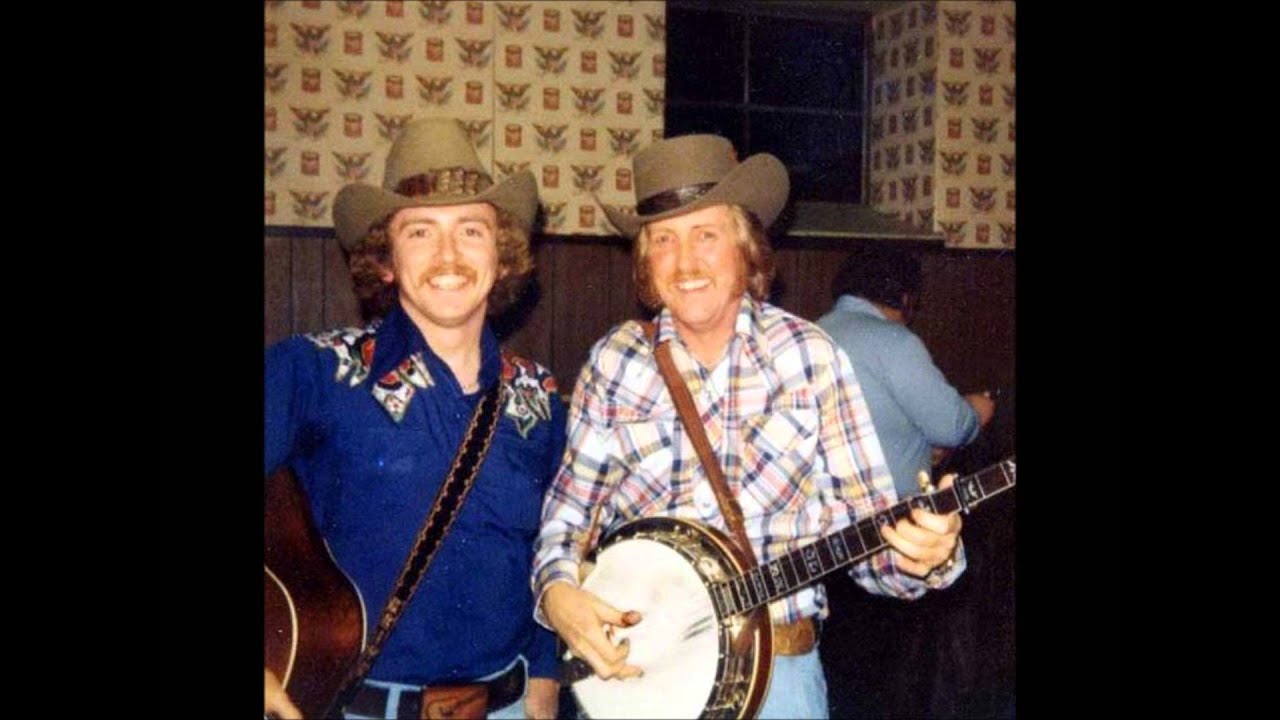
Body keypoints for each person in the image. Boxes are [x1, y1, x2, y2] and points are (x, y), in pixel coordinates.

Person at [530, 134, 966, 718]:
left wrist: (927, 555)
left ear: (746, 246)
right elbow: (568, 516)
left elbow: (872, 546)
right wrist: (557, 591)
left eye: (706, 235)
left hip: (777, 683)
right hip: (638, 682)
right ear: (645, 261)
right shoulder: (616, 361)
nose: (686, 263)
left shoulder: (809, 358)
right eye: (664, 240)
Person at [264, 118, 565, 720]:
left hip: (506, 708)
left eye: (471, 231)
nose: (448, 255)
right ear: (386, 260)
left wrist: (546, 670)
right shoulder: (313, 371)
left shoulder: (540, 396)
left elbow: (552, 541)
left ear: (501, 257)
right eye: (421, 231)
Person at [816, 244, 995, 500]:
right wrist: (977, 409)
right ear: (905, 298)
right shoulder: (896, 340)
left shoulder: (810, 333)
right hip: (889, 513)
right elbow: (951, 428)